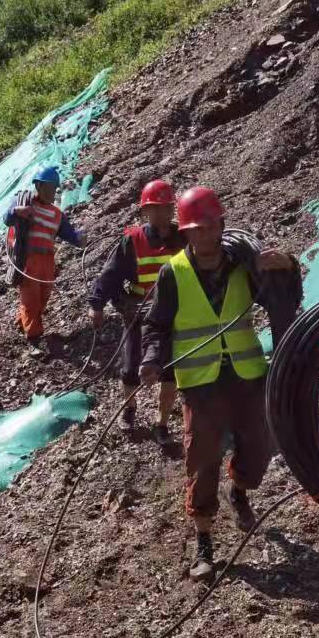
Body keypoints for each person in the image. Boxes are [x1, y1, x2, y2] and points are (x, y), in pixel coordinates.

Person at [140, 186, 300, 580]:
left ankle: (241, 489)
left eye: (212, 226)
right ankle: (205, 543)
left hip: (247, 377)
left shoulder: (245, 265)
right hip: (200, 383)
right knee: (202, 456)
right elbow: (156, 325)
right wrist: (150, 359)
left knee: (259, 449)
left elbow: (284, 301)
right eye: (197, 228)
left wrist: (288, 265)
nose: (206, 235)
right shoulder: (173, 273)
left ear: (222, 225)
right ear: (186, 232)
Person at [88, 179, 184, 444]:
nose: (161, 213)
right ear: (145, 212)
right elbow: (110, 275)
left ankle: (161, 423)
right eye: (155, 208)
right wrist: (97, 304)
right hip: (139, 315)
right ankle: (129, 409)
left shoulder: (184, 237)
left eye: (166, 207)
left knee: (170, 370)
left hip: (173, 315)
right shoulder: (133, 241)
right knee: (130, 367)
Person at [4, 165, 87, 350]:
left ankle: (23, 322)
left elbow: (68, 233)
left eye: (54, 189)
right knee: (31, 298)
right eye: (49, 188)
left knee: (43, 298)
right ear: (39, 186)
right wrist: (17, 211)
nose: (52, 192)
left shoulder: (57, 214)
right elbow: (7, 219)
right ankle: (34, 340)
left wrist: (79, 239)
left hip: (48, 262)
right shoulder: (24, 202)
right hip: (29, 260)